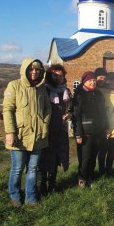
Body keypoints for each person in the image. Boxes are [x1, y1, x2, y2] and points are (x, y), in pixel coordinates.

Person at [3, 58, 51, 207]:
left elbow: (48, 108)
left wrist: (45, 123)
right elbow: (7, 109)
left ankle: (31, 197)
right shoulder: (14, 86)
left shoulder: (42, 88)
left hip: (38, 136)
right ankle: (15, 196)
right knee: (17, 168)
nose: (34, 72)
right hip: (20, 136)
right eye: (31, 69)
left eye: (37, 69)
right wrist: (10, 132)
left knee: (33, 169)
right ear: (25, 70)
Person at [38, 64, 72, 195]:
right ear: (50, 75)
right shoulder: (44, 90)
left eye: (60, 75)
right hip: (46, 130)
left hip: (60, 131)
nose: (58, 78)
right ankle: (41, 187)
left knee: (57, 158)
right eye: (55, 75)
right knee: (43, 159)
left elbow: (70, 108)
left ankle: (52, 185)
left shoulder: (65, 92)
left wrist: (69, 114)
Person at [73, 71, 108, 187]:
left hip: (98, 131)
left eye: (94, 80)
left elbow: (104, 113)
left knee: (93, 157)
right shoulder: (80, 94)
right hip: (85, 131)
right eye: (90, 80)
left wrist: (105, 127)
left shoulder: (98, 94)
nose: (92, 82)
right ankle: (82, 177)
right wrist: (78, 134)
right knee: (85, 158)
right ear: (84, 81)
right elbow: (76, 116)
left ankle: (90, 177)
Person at [99, 71, 114, 174]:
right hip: (103, 125)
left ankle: (109, 169)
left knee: (112, 150)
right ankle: (101, 170)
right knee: (103, 149)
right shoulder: (102, 91)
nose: (112, 82)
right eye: (110, 80)